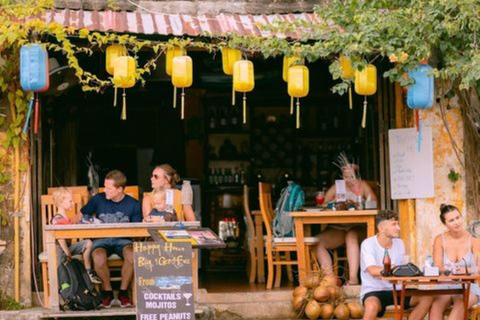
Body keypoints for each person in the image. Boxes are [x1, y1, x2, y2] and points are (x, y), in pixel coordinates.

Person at [81, 170, 142, 308]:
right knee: (97, 256)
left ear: (120, 189)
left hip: (124, 241)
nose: (105, 190)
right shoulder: (98, 199)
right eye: (105, 186)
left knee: (132, 255)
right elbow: (81, 215)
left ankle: (123, 293)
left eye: (109, 188)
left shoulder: (134, 204)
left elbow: (138, 230)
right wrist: (87, 221)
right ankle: (107, 292)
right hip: (101, 240)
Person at [316, 154, 377, 285]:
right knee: (318, 242)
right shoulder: (338, 187)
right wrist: (333, 202)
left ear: (357, 176)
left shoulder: (363, 185)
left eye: (351, 177)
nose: (349, 180)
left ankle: (353, 278)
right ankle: (331, 278)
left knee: (351, 236)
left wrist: (362, 201)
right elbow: (324, 204)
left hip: (358, 226)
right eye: (345, 177)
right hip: (339, 227)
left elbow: (375, 203)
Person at [361, 210, 432, 320]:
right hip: (374, 291)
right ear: (381, 228)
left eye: (398, 224)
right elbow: (372, 270)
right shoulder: (368, 244)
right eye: (394, 224)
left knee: (427, 298)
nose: (398, 228)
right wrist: (391, 270)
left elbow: (401, 270)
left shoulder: (400, 244)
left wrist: (412, 275)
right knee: (371, 306)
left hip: (398, 290)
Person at [429, 204, 480, 320]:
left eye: (458, 218)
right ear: (445, 224)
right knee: (435, 306)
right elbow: (438, 267)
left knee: (460, 304)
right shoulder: (440, 240)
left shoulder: (474, 240)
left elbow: (479, 267)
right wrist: (449, 272)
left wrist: (465, 270)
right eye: (451, 220)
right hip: (446, 286)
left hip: (469, 287)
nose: (456, 222)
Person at [51, 187, 102, 284]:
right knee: (63, 267)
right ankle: (62, 283)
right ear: (61, 202)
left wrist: (83, 223)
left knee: (88, 243)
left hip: (68, 247)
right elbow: (60, 239)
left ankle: (89, 271)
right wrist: (67, 253)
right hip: (60, 250)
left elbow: (71, 227)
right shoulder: (57, 219)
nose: (73, 203)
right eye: (70, 201)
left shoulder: (65, 217)